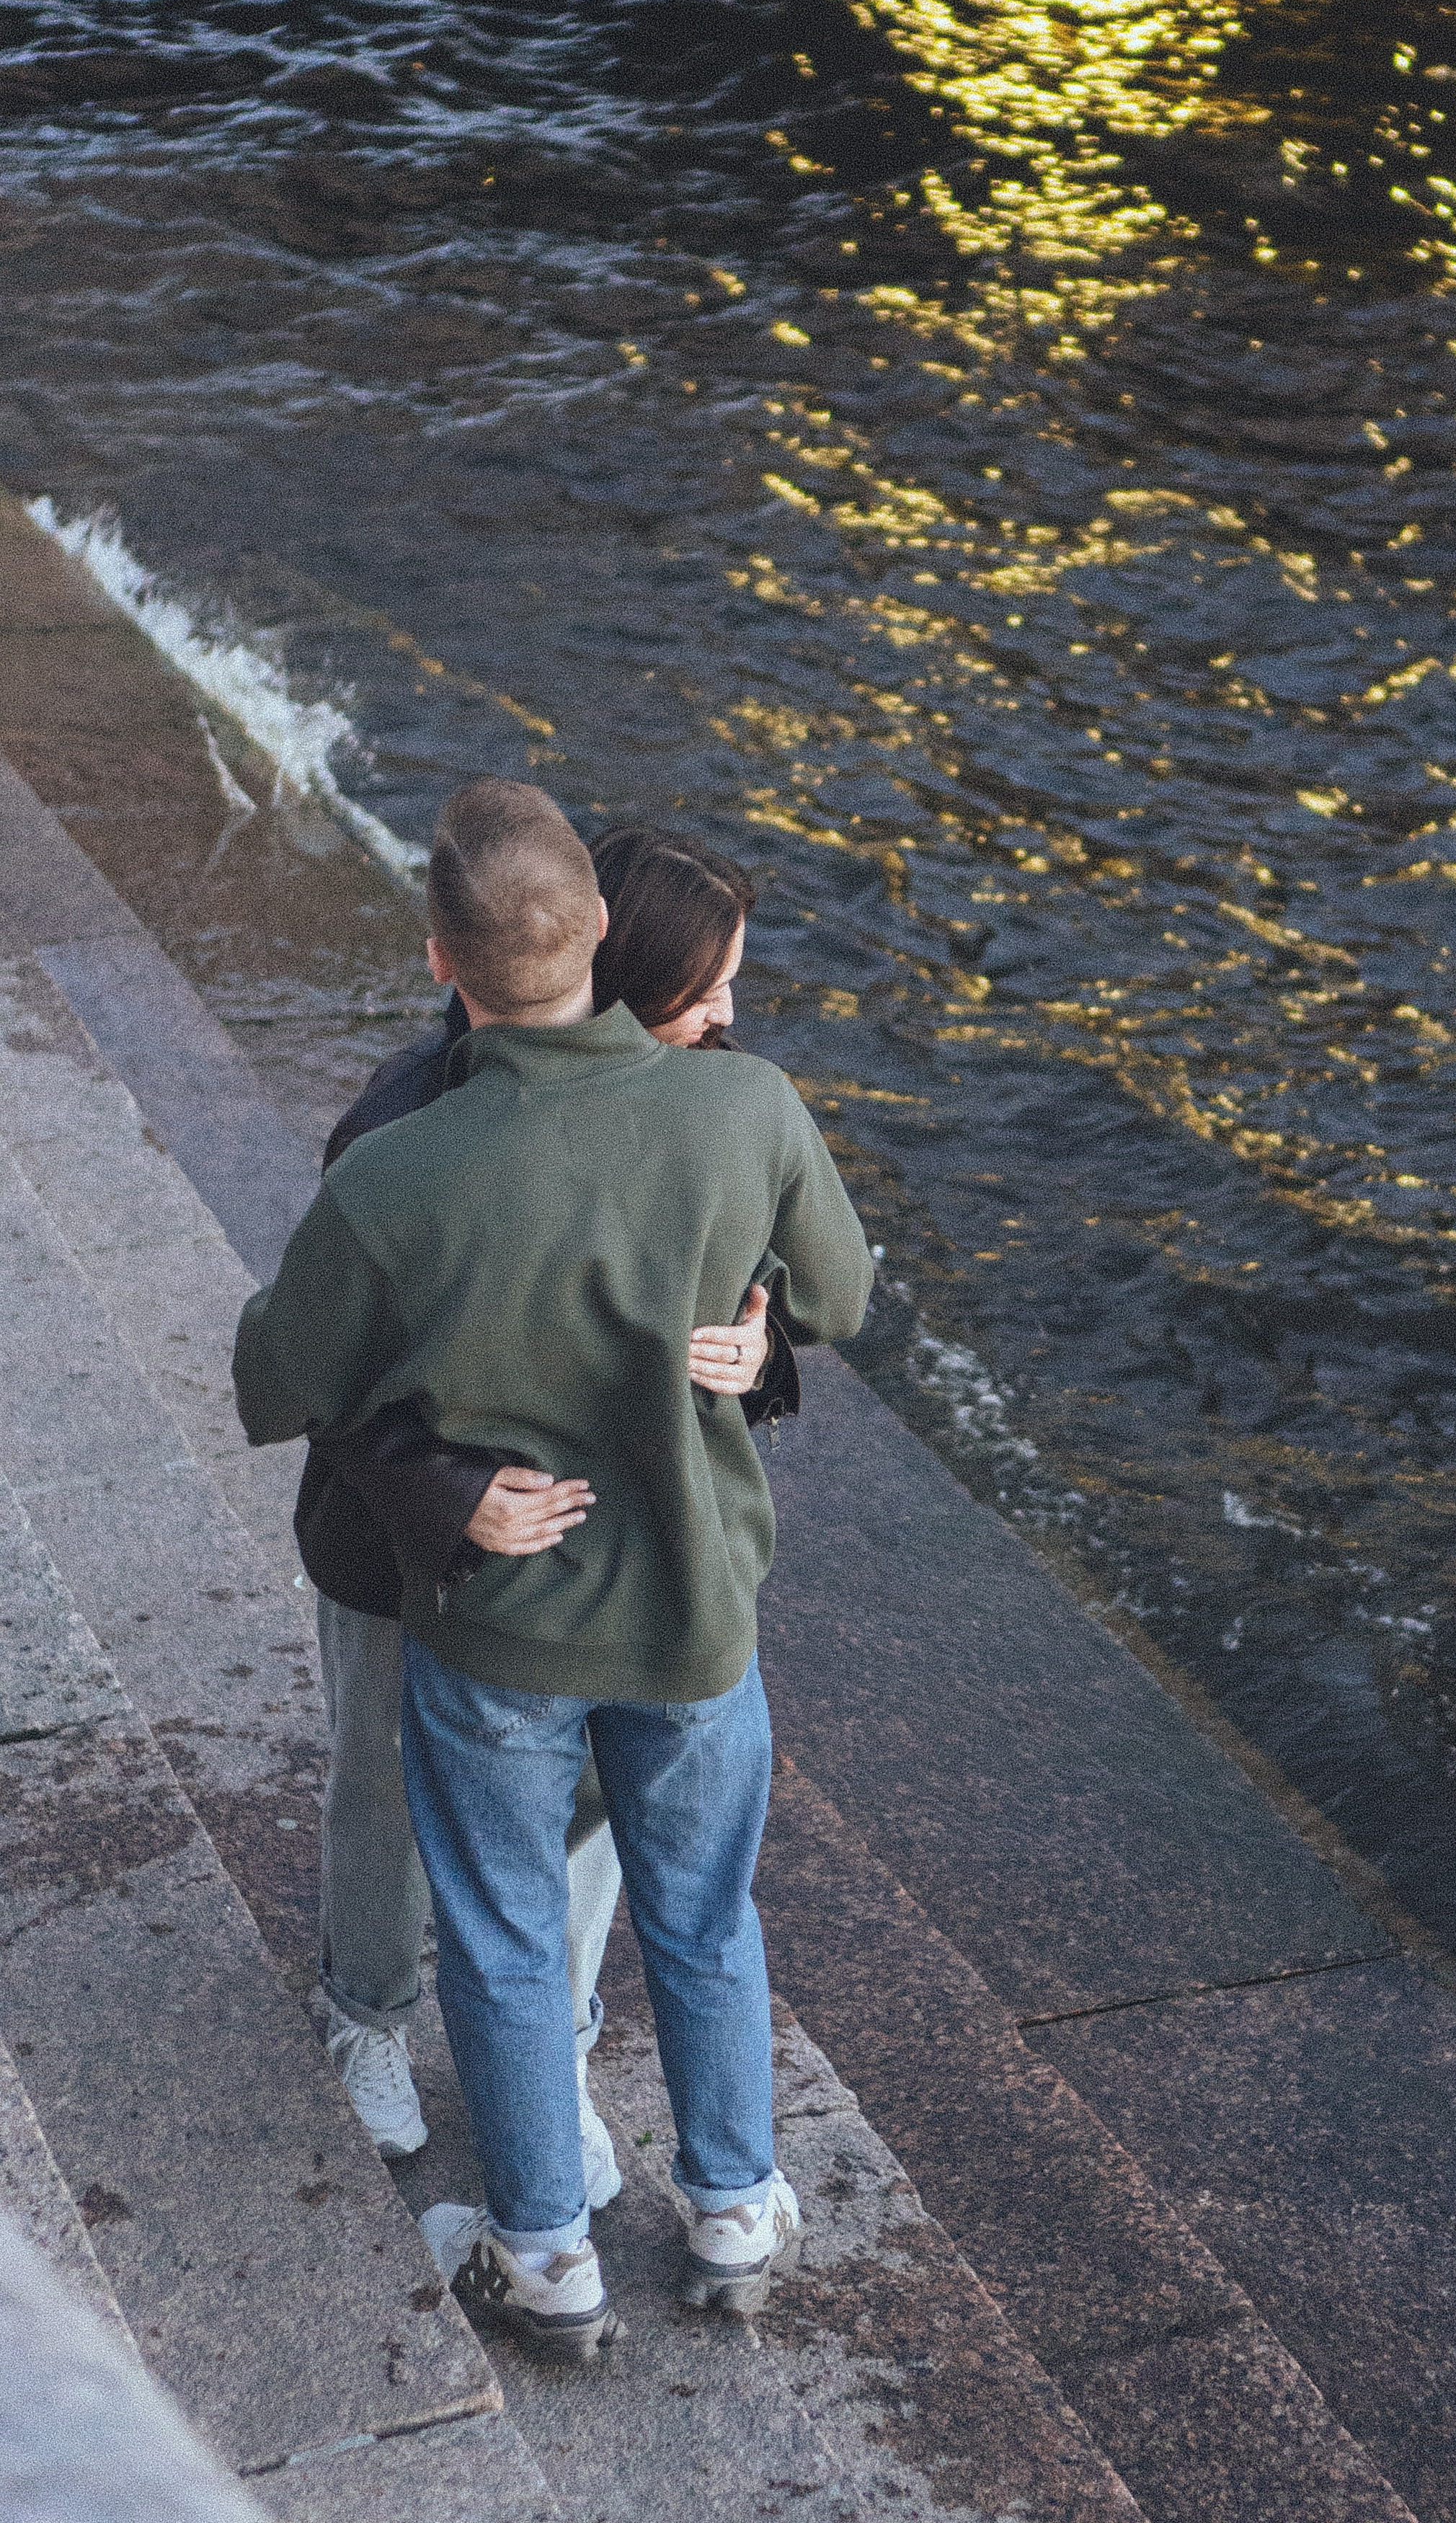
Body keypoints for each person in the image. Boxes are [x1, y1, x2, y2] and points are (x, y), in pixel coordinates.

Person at [235, 781, 872, 2361]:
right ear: (599, 937)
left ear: (441, 957)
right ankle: (734, 2210)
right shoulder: (750, 1110)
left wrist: (750, 1347)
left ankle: (541, 2260)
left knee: (506, 1932)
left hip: (505, 1628)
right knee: (705, 1918)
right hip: (690, 1618)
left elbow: (273, 1380)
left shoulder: (402, 1171)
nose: (729, 1012)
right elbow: (843, 1290)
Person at [298, 826, 793, 2198]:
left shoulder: (713, 1099)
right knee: (379, 1779)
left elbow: (778, 1279)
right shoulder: (405, 1124)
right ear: (605, 965)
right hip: (402, 1548)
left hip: (606, 1546)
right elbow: (319, 1376)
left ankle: (551, 2050)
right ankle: (367, 2011)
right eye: (704, 990)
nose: (728, 1017)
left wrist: (764, 1349)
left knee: (581, 1812)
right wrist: (453, 1496)